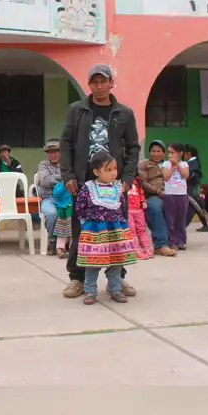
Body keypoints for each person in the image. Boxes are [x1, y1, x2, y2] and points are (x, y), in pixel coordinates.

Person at [59, 63, 141, 300]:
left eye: (103, 81)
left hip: (115, 182)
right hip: (84, 180)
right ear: (89, 85)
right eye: (94, 82)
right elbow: (66, 143)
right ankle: (78, 278)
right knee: (82, 230)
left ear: (111, 82)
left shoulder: (124, 113)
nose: (99, 86)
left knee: (116, 230)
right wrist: (68, 175)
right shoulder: (77, 110)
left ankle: (117, 278)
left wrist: (127, 178)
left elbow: (133, 147)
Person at [75, 151, 139, 304]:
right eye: (108, 170)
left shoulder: (118, 188)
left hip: (116, 231)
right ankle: (90, 291)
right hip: (95, 231)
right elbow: (80, 207)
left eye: (115, 169)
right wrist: (87, 224)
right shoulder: (88, 188)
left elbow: (122, 207)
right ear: (96, 171)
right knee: (92, 263)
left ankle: (115, 289)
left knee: (117, 262)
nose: (113, 173)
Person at [138, 140, 176, 257]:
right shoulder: (145, 164)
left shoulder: (169, 164)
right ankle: (161, 244)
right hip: (152, 195)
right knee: (154, 207)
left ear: (163, 153)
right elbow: (143, 183)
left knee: (185, 205)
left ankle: (175, 239)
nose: (155, 153)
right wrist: (158, 192)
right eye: (153, 151)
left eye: (158, 151)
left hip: (171, 194)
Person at [161, 142, 191, 251]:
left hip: (182, 195)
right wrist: (172, 167)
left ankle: (181, 241)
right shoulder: (166, 164)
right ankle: (171, 242)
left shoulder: (184, 164)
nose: (170, 155)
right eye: (168, 153)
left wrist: (177, 165)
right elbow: (166, 177)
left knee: (181, 219)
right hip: (170, 195)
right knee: (170, 219)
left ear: (180, 153)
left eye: (172, 153)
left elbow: (185, 175)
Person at [36, 139, 64, 255]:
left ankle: (68, 244)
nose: (53, 155)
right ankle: (52, 241)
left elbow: (72, 177)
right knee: (52, 214)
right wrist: (63, 179)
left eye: (56, 152)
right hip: (49, 198)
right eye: (50, 152)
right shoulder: (43, 165)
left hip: (65, 198)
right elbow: (44, 181)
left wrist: (54, 177)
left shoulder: (66, 163)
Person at [183, 144, 208, 232]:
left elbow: (190, 175)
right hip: (195, 188)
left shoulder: (192, 163)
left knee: (191, 207)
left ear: (189, 153)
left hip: (192, 188)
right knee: (196, 207)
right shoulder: (194, 162)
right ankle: (205, 226)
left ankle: (183, 226)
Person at [127, 177, 153, 259]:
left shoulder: (137, 181)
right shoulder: (120, 181)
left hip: (138, 210)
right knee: (132, 231)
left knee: (142, 229)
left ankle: (146, 247)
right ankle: (135, 250)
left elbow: (140, 192)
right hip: (128, 210)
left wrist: (143, 201)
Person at [51, 180, 73, 258]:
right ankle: (60, 249)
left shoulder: (77, 183)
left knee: (73, 232)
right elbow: (56, 194)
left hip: (74, 210)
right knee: (61, 231)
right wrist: (64, 183)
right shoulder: (59, 184)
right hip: (63, 210)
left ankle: (72, 250)